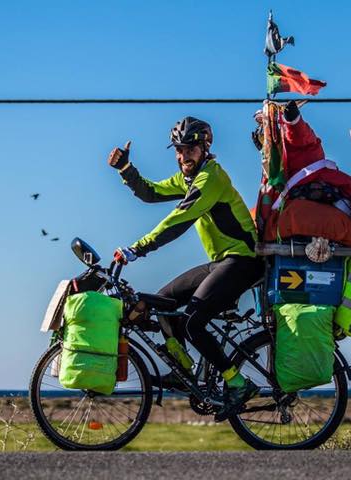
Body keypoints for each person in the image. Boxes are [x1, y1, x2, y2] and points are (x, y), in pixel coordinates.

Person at [107, 116, 262, 421]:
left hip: (244, 260)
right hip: (222, 261)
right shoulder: (187, 179)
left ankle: (237, 382)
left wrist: (138, 248)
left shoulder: (211, 178)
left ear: (205, 147)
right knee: (163, 301)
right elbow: (151, 193)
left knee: (192, 321)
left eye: (190, 148)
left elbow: (178, 221)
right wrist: (126, 170)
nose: (183, 155)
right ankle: (184, 372)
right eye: (178, 149)